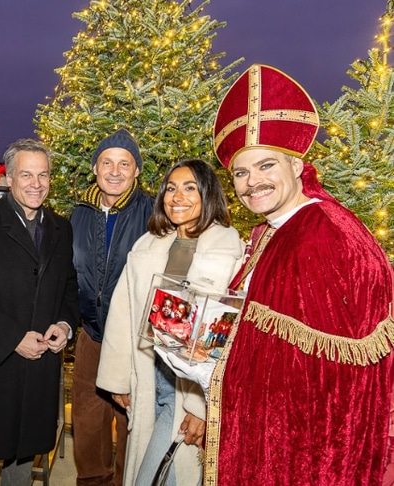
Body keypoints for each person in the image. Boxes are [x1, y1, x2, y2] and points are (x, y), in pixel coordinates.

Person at [164, 64, 394, 485]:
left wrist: (212, 371)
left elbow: (333, 376)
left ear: (296, 165)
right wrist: (197, 346)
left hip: (305, 451)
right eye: (241, 173)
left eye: (266, 166)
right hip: (264, 432)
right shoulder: (271, 232)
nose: (253, 183)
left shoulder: (326, 233)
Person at [96, 159, 243, 486]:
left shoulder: (228, 249)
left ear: (208, 194)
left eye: (190, 187)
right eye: (171, 188)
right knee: (162, 472)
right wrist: (119, 379)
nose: (178, 196)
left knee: (155, 475)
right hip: (149, 376)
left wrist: (201, 406)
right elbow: (123, 312)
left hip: (189, 388)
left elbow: (224, 336)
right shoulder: (148, 245)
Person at [0, 138, 79, 486]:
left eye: (43, 175)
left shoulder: (60, 229)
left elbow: (69, 286)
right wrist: (11, 339)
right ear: (8, 178)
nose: (36, 184)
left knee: (24, 459)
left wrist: (65, 326)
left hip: (40, 367)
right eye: (26, 175)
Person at [69, 128, 154, 486]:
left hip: (135, 338)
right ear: (95, 168)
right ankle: (93, 481)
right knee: (89, 420)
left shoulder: (154, 213)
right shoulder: (79, 213)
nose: (115, 171)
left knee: (132, 421)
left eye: (125, 163)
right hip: (91, 334)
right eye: (107, 162)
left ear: (136, 171)